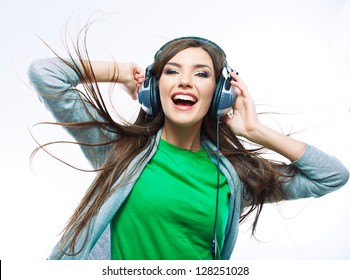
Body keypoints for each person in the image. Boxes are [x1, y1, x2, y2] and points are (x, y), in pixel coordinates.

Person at [28, 36, 349, 260]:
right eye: (171, 71)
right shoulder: (119, 152)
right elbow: (45, 75)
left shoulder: (235, 177)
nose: (185, 81)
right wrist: (121, 73)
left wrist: (256, 131)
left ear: (220, 94)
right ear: (155, 89)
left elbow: (331, 176)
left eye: (201, 73)